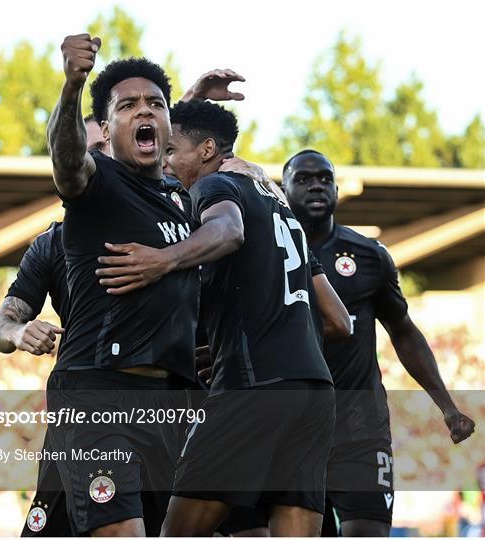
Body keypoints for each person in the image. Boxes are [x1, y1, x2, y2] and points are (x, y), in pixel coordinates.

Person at [95, 100, 340, 537]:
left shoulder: (214, 186)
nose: (166, 162)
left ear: (207, 150)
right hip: (314, 390)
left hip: (252, 389)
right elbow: (337, 319)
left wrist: (162, 261)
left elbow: (228, 231)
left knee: (178, 533)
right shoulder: (279, 205)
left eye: (172, 151)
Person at [45, 33, 201, 536]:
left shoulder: (182, 196)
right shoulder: (101, 185)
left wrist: (189, 100)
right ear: (106, 129)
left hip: (176, 402)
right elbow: (67, 160)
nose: (144, 112)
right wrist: (72, 87)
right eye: (127, 105)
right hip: (101, 394)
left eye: (155, 104)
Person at [279, 149, 476, 536]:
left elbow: (403, 330)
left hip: (360, 428)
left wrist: (447, 406)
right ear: (283, 190)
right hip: (291, 429)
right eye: (303, 179)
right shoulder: (264, 255)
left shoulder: (370, 255)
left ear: (336, 189)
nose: (316, 185)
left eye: (323, 177)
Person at [0, 118, 112, 536]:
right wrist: (20, 333)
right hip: (84, 408)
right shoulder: (51, 244)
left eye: (102, 149)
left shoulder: (169, 224)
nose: (92, 160)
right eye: (83, 150)